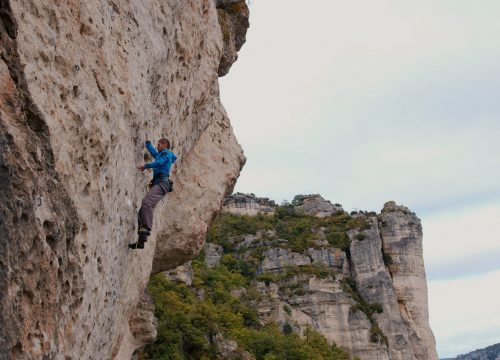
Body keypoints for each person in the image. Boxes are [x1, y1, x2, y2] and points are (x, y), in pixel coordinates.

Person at [129, 138, 177, 249]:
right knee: (142, 212)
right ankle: (141, 241)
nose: (157, 146)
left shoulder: (166, 153)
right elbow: (154, 153)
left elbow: (159, 162)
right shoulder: (161, 154)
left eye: (159, 144)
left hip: (162, 182)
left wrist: (146, 166)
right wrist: (147, 144)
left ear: (165, 145)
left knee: (146, 202)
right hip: (159, 183)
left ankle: (146, 228)